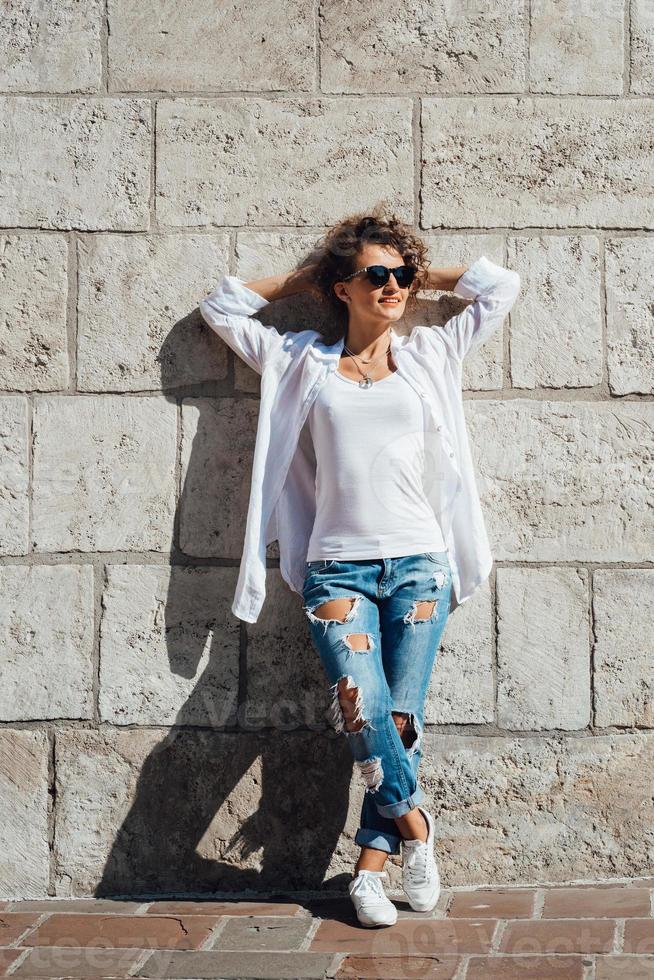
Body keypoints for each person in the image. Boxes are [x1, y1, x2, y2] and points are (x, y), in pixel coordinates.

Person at [199, 202, 521, 927]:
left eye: (401, 275)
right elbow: (223, 304)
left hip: (419, 566)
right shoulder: (299, 362)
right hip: (337, 569)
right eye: (375, 275)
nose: (395, 286)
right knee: (364, 709)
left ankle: (369, 873)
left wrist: (419, 266)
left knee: (399, 720)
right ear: (340, 287)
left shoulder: (433, 354)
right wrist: (311, 276)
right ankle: (417, 829)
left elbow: (500, 288)